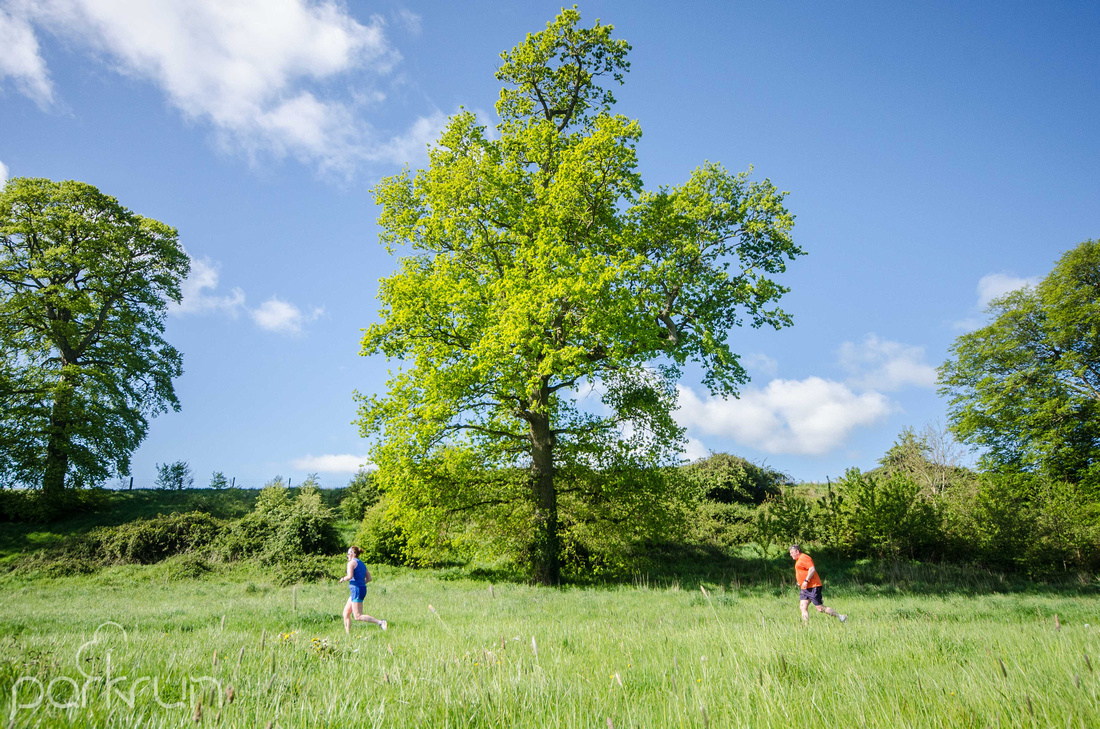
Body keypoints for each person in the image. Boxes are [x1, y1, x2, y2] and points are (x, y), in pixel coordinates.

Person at [789, 544, 847, 625]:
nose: (790, 554)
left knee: (820, 608)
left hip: (813, 586)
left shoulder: (804, 557)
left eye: (792, 552)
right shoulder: (798, 560)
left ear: (797, 551)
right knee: (803, 607)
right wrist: (801, 581)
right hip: (804, 588)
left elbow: (812, 569)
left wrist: (806, 580)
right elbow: (803, 571)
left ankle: (840, 617)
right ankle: (805, 626)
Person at [339, 546, 387, 633]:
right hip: (359, 589)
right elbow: (369, 578)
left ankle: (380, 622)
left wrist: (343, 578)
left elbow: (349, 576)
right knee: (346, 613)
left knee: (357, 616)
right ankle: (348, 635)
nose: (347, 556)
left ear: (353, 554)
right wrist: (360, 583)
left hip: (356, 591)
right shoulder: (361, 563)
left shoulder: (351, 563)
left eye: (348, 554)